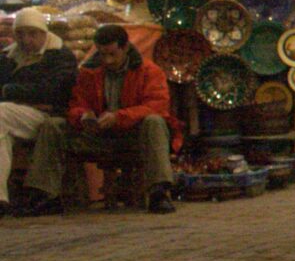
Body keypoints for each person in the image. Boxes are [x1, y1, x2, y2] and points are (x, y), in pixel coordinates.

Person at [22, 25, 178, 215]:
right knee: (53, 125)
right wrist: (84, 115)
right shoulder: (89, 72)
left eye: (112, 54)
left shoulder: (148, 71)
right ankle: (44, 194)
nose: (107, 60)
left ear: (125, 47)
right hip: (97, 135)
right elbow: (75, 104)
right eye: (103, 54)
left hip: (132, 135)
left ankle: (159, 192)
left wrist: (119, 117)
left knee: (154, 122)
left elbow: (157, 106)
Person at [0, 7, 76, 215]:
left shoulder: (59, 56)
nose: (26, 40)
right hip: (14, 115)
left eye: (32, 33)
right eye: (21, 34)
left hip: (46, 115)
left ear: (44, 33)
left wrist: (9, 90)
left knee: (1, 113)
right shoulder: (9, 57)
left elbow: (50, 91)